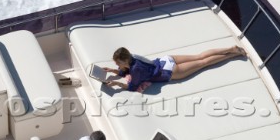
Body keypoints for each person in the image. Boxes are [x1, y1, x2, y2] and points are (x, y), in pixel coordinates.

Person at [103, 46, 246, 91]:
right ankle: (230, 48)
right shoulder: (134, 57)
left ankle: (231, 55)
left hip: (169, 72)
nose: (117, 66)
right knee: (199, 56)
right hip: (167, 60)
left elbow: (132, 86)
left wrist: (116, 83)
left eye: (117, 63)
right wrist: (113, 71)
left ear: (123, 60)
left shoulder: (135, 70)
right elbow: (125, 70)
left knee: (204, 63)